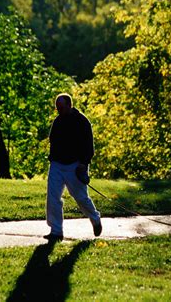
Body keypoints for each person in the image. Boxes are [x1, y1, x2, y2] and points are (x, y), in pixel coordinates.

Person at [45, 93, 102, 241]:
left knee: (81, 198)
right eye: (57, 108)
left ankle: (95, 219)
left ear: (69, 105)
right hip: (57, 164)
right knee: (53, 197)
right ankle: (56, 231)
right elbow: (52, 141)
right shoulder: (57, 122)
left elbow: (89, 146)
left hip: (76, 165)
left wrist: (84, 164)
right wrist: (53, 161)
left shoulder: (82, 122)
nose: (59, 111)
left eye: (62, 108)